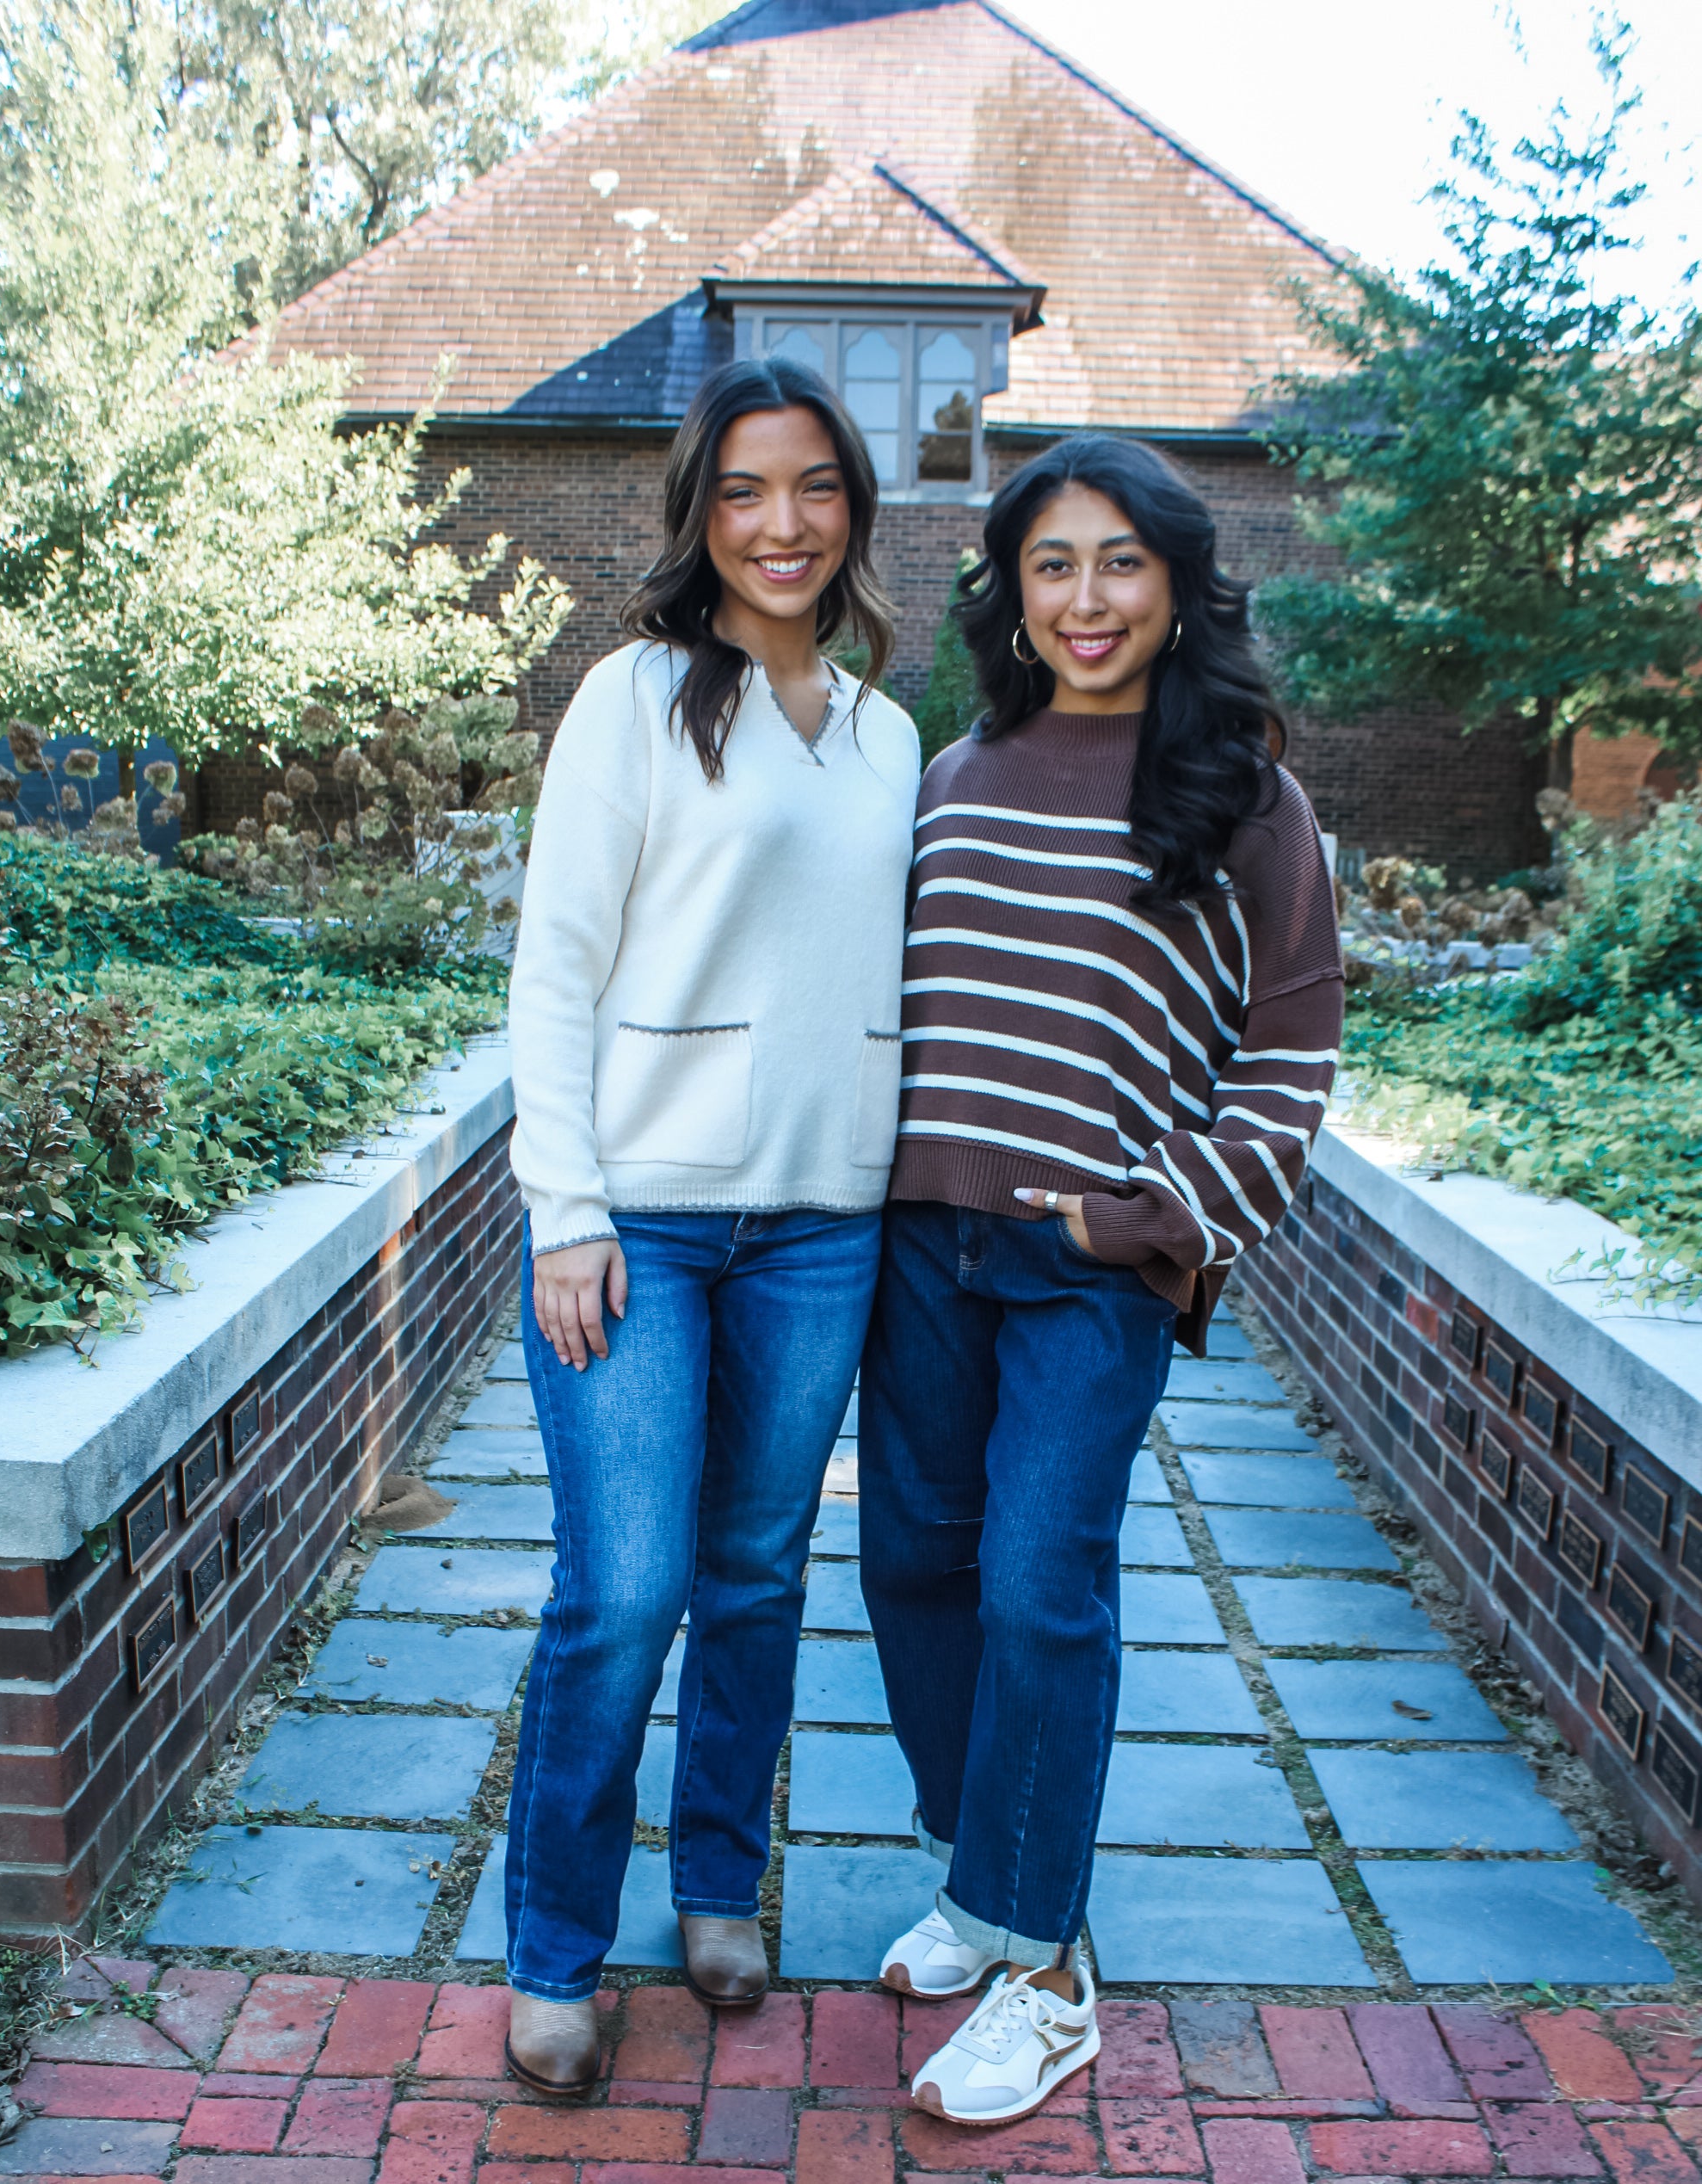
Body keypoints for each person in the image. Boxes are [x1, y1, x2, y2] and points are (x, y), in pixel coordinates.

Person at [859, 435, 1343, 2125]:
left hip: (1090, 1266)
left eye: (1120, 561)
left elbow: (1290, 1052)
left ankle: (1048, 1976)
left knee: (1035, 1583)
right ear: (1010, 587)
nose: (1085, 598)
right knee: (911, 1565)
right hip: (924, 1242)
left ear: (1178, 585)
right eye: (1052, 563)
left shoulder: (1245, 795)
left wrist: (1154, 1215)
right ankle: (983, 1881)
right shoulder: (955, 772)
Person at [502, 356, 920, 2094]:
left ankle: (719, 1885)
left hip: (825, 1225)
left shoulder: (888, 733)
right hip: (641, 1226)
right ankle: (553, 1949)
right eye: (745, 489)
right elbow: (555, 966)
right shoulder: (637, 696)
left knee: (757, 1571)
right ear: (701, 512)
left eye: (813, 484)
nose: (780, 522)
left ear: (852, 507)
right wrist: (565, 1205)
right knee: (625, 1589)